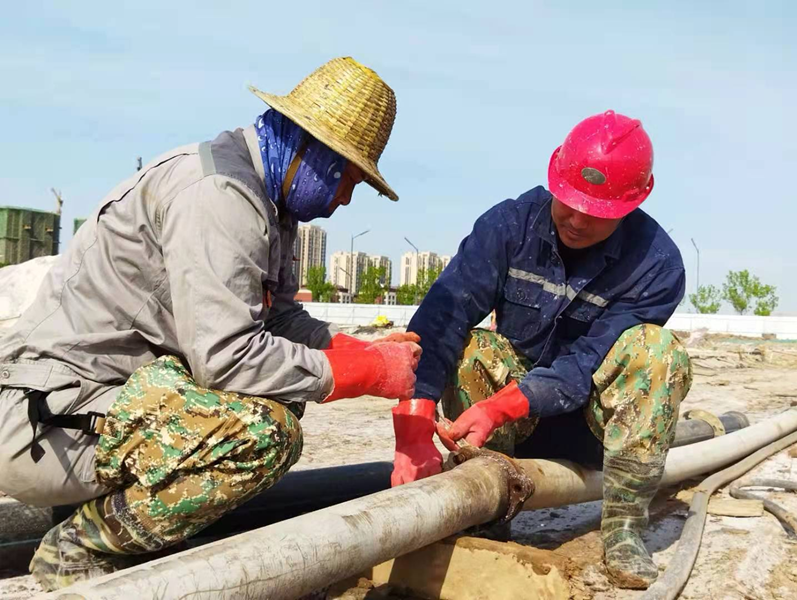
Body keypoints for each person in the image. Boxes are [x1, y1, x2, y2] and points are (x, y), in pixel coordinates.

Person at [0, 57, 420, 591]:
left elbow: (279, 317)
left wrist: (357, 349)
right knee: (261, 432)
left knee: (280, 393)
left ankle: (124, 527)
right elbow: (228, 359)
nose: (345, 199)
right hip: (50, 421)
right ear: (314, 150)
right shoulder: (220, 195)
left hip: (92, 408)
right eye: (350, 179)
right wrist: (366, 374)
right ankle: (79, 550)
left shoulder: (268, 202)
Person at [390, 110, 692, 589]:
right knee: (472, 346)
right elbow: (441, 318)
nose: (577, 220)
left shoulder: (656, 265)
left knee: (658, 352)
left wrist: (502, 405)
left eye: (596, 212)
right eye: (569, 201)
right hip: (508, 430)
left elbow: (586, 362)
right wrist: (413, 426)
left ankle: (623, 528)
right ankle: (486, 506)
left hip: (591, 430)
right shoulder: (509, 226)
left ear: (632, 203)